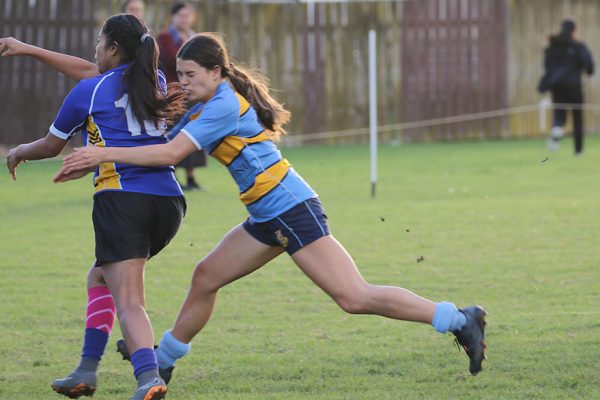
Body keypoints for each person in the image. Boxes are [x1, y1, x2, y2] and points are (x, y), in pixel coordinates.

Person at [56, 33, 488, 385]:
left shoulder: (221, 106)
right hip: (266, 214)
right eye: (180, 75)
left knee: (353, 297)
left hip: (291, 209)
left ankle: (457, 318)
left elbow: (170, 154)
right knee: (206, 277)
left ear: (215, 71)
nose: (181, 83)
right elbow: (105, 79)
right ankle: (163, 360)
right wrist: (30, 52)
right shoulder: (208, 100)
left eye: (189, 75)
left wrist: (101, 154)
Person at [5, 14, 187, 400]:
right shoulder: (150, 80)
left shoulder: (87, 91)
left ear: (113, 49)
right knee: (100, 277)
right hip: (169, 202)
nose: (94, 51)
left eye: (99, 43)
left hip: (123, 201)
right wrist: (28, 49)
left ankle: (148, 378)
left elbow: (51, 146)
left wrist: (19, 151)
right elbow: (91, 71)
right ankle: (86, 371)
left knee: (130, 301)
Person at [157, 1, 207, 191]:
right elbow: (172, 59)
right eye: (181, 16)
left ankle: (191, 177)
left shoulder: (195, 37)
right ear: (173, 17)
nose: (185, 19)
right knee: (175, 133)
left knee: (192, 132)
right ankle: (173, 176)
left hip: (193, 94)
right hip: (174, 94)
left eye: (188, 16)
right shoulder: (165, 37)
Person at [538, 18, 594, 154]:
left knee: (559, 113)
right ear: (574, 31)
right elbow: (590, 67)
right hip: (575, 87)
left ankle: (557, 128)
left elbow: (547, 66)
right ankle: (578, 149)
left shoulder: (552, 46)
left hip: (557, 87)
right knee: (577, 118)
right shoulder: (578, 46)